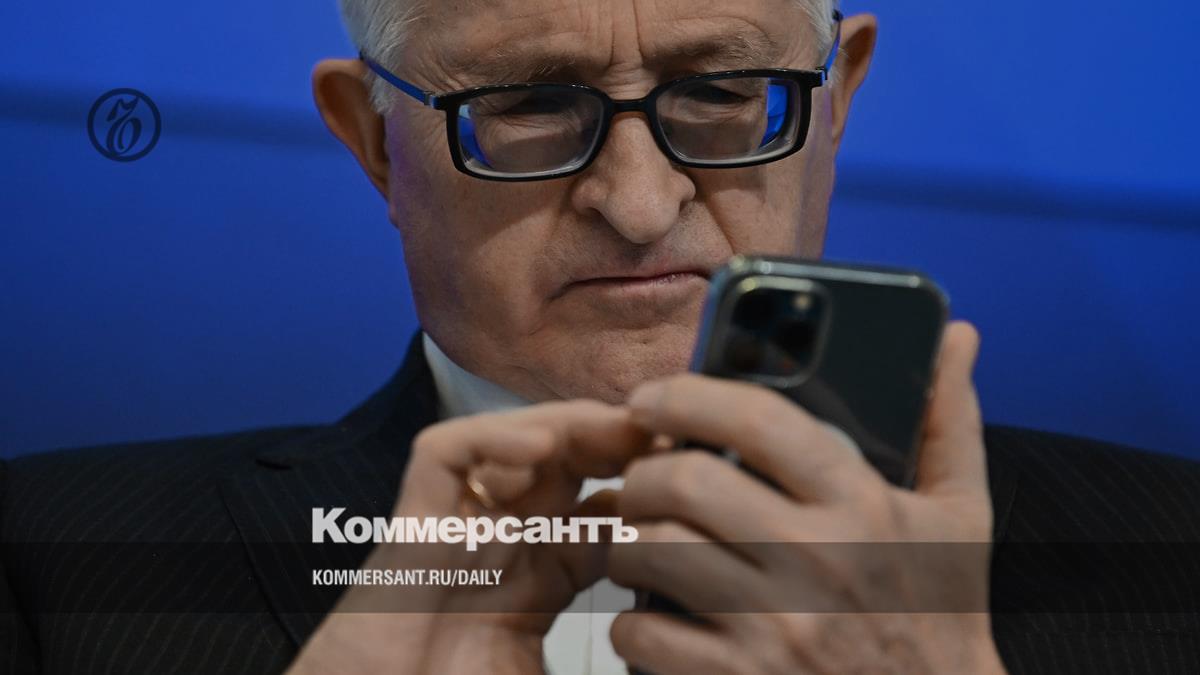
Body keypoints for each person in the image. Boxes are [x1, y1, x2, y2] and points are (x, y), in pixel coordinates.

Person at [3, 1, 1199, 673]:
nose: (638, 202)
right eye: (527, 105)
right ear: (373, 145)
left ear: (837, 105)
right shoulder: (52, 566)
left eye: (720, 92)